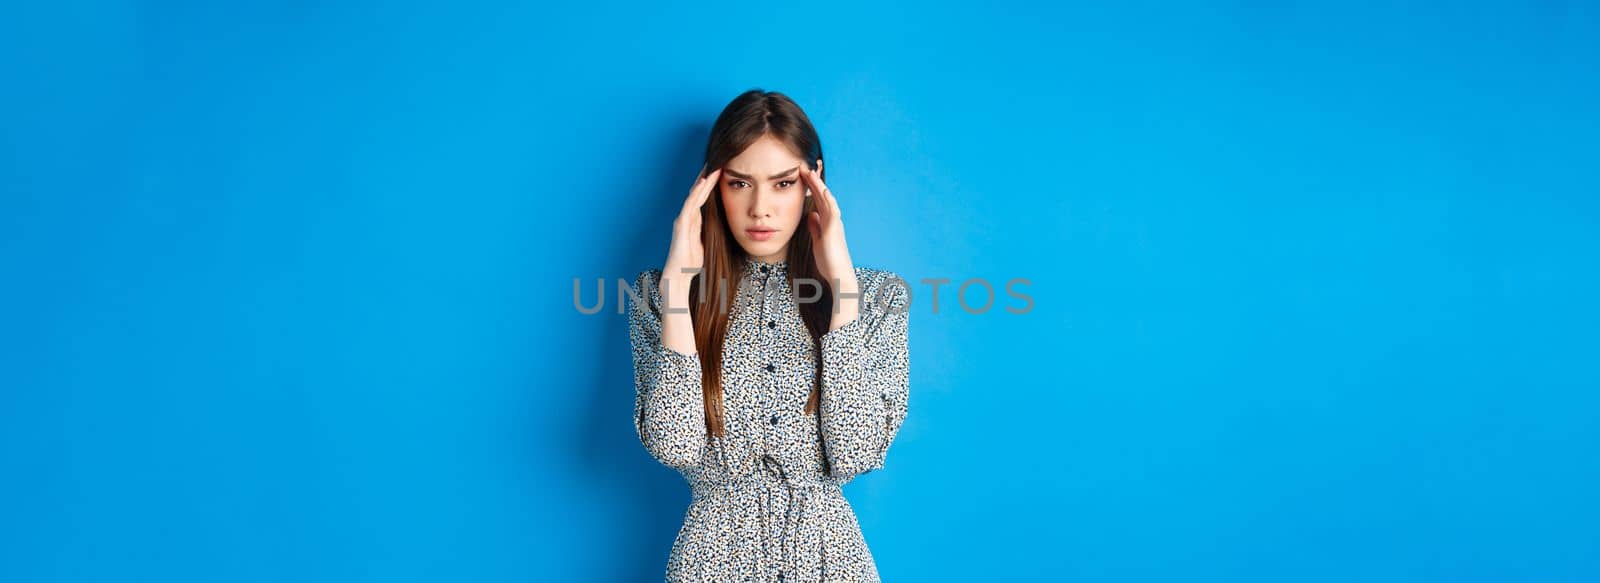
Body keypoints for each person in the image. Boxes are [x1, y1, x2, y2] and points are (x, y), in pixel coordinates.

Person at [628, 89, 911, 582]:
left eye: (782, 183)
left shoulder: (879, 296)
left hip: (829, 560)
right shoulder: (660, 293)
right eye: (740, 183)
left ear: (812, 184)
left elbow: (858, 450)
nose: (760, 208)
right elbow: (675, 445)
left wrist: (843, 289)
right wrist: (677, 286)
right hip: (710, 561)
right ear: (712, 187)